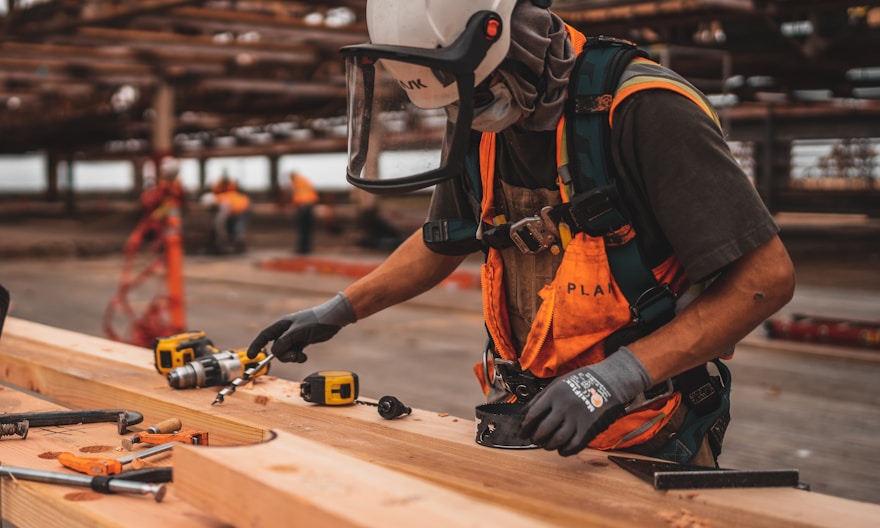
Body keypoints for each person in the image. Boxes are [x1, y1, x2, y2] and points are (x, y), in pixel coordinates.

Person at [247, 0, 794, 467]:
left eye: (478, 94)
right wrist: (337, 310)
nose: (468, 112)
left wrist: (616, 377)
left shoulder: (643, 109)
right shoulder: (477, 115)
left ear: (512, 40)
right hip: (525, 420)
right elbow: (444, 241)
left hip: (647, 429)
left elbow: (765, 279)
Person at [289, 171, 319, 254]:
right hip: (310, 205)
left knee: (302, 229)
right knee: (307, 229)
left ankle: (302, 249)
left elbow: (298, 195)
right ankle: (306, 248)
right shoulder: (305, 180)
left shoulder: (296, 183)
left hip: (302, 207)